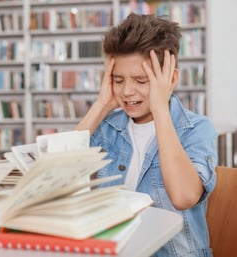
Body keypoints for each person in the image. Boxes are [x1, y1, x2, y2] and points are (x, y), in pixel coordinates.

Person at [76, 13, 217, 257]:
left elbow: (184, 196)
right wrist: (102, 104)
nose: (127, 91)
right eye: (118, 80)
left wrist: (161, 108)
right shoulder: (108, 127)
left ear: (170, 79)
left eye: (141, 80)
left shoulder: (197, 129)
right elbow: (54, 176)